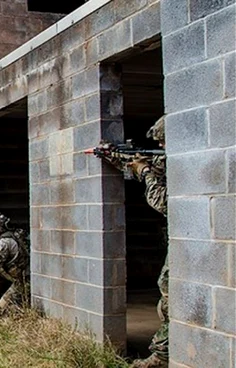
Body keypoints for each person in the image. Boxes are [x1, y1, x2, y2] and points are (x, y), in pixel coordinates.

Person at [96, 117, 168, 368]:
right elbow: (142, 167)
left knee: (168, 295)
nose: (160, 147)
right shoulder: (165, 159)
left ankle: (163, 356)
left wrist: (145, 172)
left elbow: (162, 202)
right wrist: (120, 158)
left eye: (162, 143)